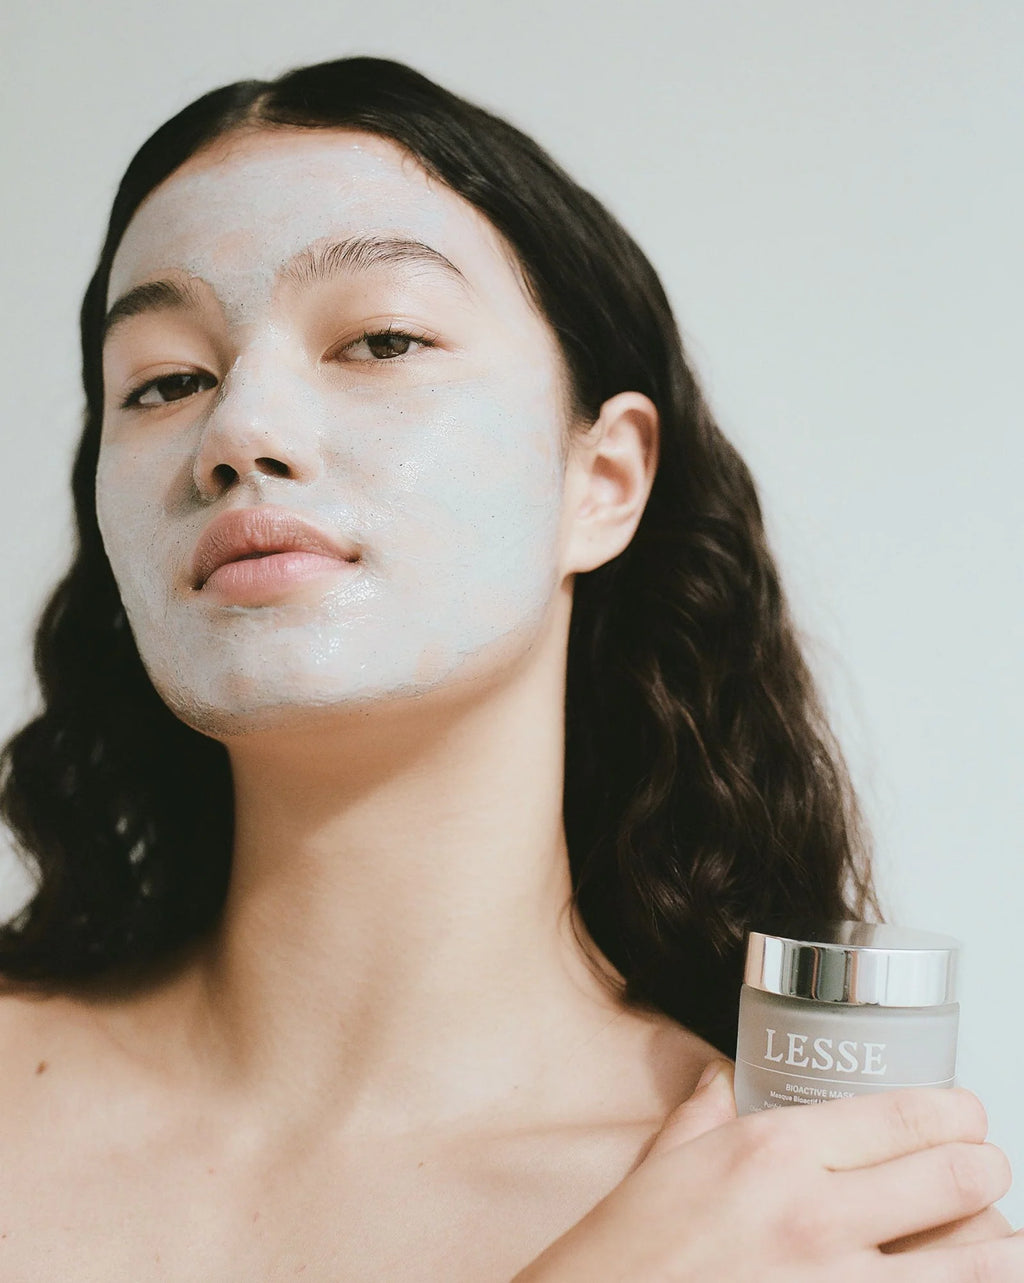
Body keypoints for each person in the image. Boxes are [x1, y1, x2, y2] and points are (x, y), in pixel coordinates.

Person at [0, 55, 1018, 1280]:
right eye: (166, 380)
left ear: (603, 481)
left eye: (379, 339)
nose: (239, 433)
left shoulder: (796, 1210)